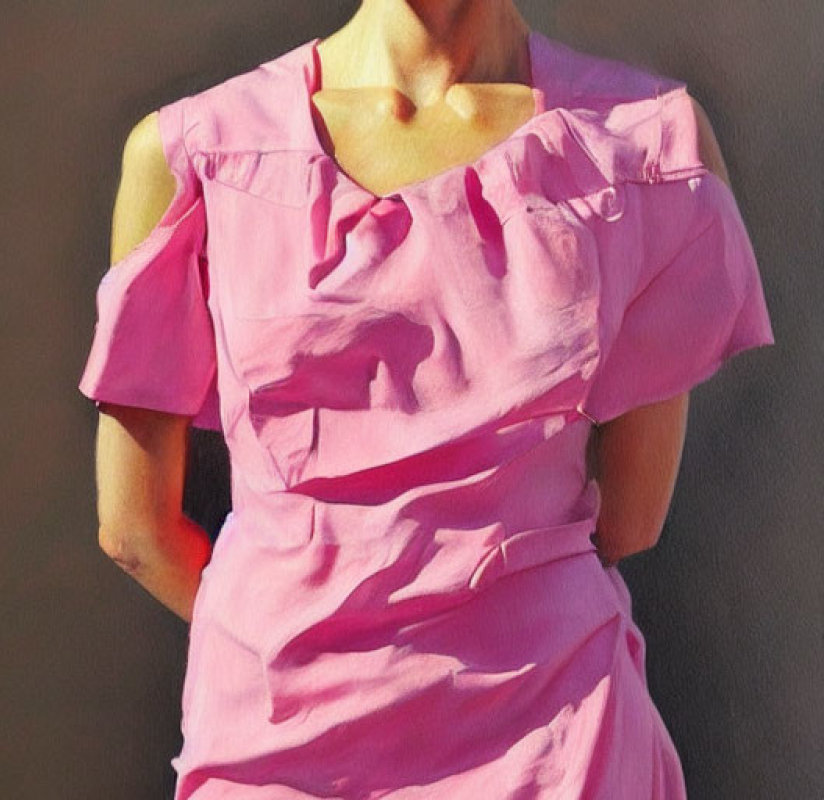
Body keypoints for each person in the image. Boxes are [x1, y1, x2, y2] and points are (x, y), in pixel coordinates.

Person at [78, 1, 775, 797]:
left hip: (459, 735)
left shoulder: (653, 147)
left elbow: (136, 528)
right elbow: (629, 516)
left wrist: (288, 632)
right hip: (540, 727)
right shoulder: (644, 141)